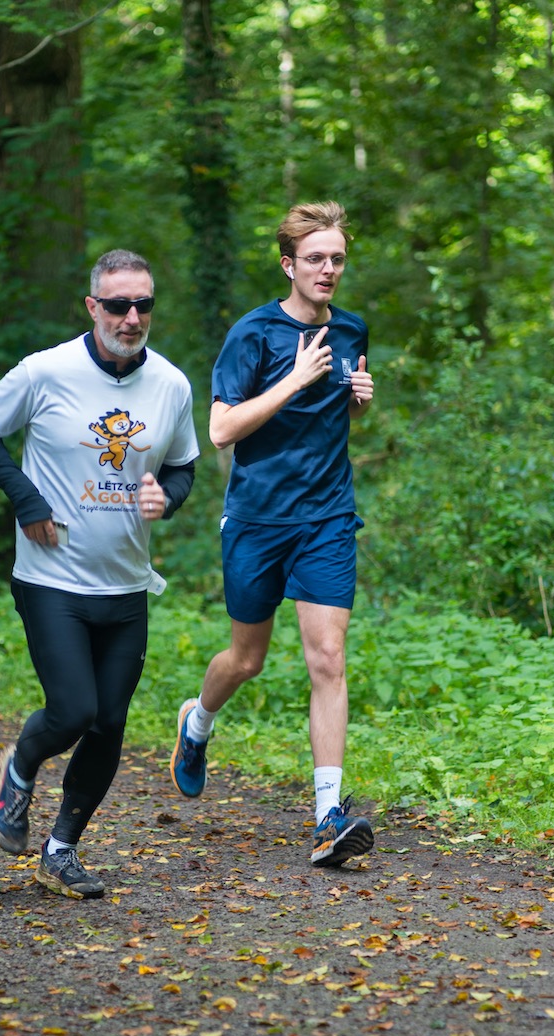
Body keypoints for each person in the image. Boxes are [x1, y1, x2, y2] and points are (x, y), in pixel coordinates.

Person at [0, 249, 199, 900]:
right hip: (51, 577)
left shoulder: (171, 385)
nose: (132, 318)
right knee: (74, 709)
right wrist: (26, 499)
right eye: (118, 305)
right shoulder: (44, 371)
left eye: (143, 305)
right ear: (93, 306)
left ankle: (61, 850)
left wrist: (167, 498)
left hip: (125, 583)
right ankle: (19, 767)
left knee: (109, 723)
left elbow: (182, 467)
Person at [169, 201, 378, 868]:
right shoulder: (253, 334)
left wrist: (356, 400)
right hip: (258, 519)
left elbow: (336, 416)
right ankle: (197, 721)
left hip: (327, 517)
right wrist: (294, 380)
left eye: (337, 258)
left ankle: (327, 817)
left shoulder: (351, 329)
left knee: (329, 658)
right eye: (315, 258)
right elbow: (221, 431)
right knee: (247, 659)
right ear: (289, 265)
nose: (328, 269)